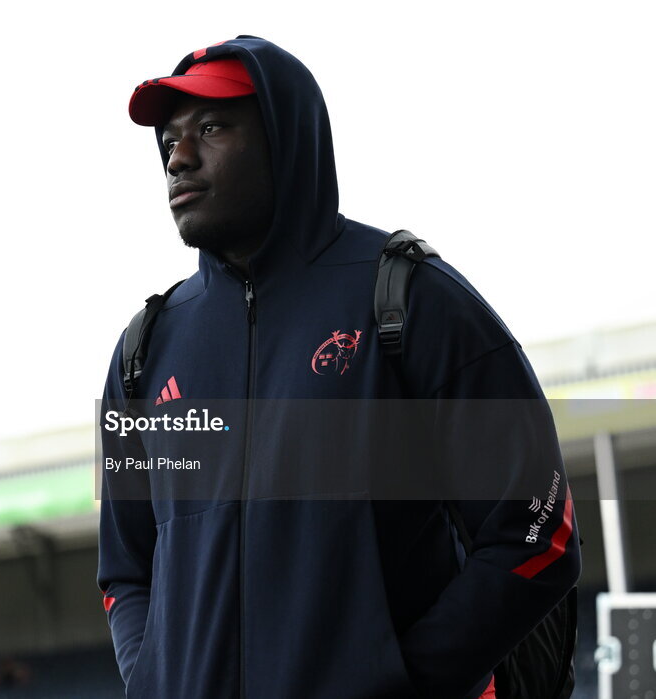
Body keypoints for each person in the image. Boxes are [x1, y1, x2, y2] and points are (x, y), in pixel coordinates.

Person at [97, 36, 580, 699]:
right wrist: (156, 680)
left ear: (283, 138)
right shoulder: (142, 354)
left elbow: (536, 532)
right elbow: (126, 572)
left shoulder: (410, 299)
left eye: (210, 128)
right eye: (168, 139)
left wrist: (401, 682)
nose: (178, 157)